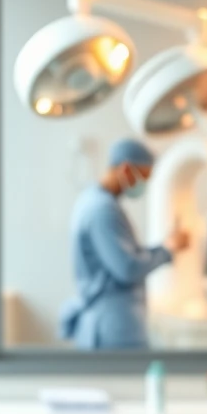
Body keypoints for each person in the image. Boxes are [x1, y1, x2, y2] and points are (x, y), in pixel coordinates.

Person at [60, 138, 190, 349]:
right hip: (113, 326)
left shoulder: (94, 200)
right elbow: (127, 268)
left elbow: (127, 256)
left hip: (111, 322)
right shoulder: (102, 210)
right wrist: (168, 249)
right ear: (127, 170)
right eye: (143, 177)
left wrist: (165, 246)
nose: (144, 185)